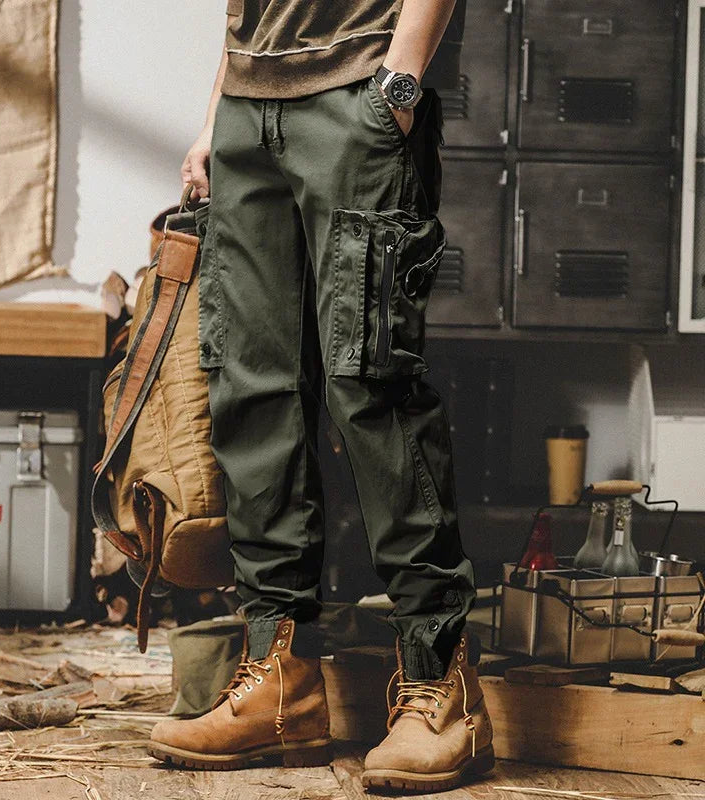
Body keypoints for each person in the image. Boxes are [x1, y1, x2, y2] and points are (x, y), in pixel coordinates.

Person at [149, 0, 494, 791]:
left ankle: (440, 686)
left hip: (355, 98)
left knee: (371, 385)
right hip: (247, 110)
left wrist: (398, 84)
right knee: (251, 389)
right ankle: (280, 681)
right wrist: (217, 111)